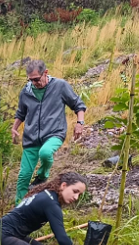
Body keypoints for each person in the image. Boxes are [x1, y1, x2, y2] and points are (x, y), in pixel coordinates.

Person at [0, 172, 99, 245]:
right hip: (2, 235)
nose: (76, 197)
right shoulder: (51, 203)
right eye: (75, 191)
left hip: (9, 234)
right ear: (63, 185)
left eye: (79, 195)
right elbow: (62, 238)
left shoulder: (47, 194)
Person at [11, 60, 87, 204]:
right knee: (23, 176)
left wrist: (79, 123)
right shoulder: (26, 92)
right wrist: (14, 128)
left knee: (45, 153)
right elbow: (21, 113)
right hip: (31, 138)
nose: (34, 83)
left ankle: (43, 175)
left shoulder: (60, 86)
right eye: (31, 80)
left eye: (37, 79)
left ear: (45, 73)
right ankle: (19, 208)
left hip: (54, 133)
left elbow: (78, 105)